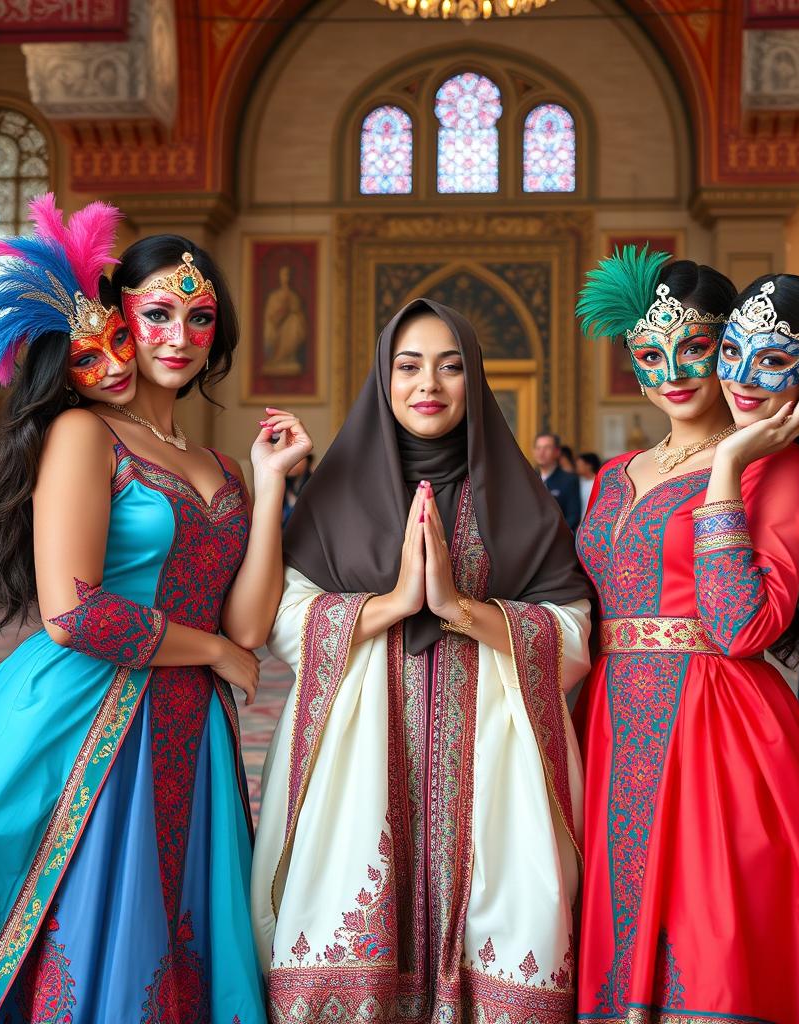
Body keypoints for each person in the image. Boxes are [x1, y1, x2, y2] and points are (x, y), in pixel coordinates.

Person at [0, 204, 296, 1024]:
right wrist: (218, 657)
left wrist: (269, 490)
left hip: (190, 728)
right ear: (121, 316)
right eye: (155, 314)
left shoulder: (222, 463)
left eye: (199, 317)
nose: (178, 335)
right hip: (83, 708)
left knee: (177, 926)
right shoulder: (85, 433)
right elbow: (73, 614)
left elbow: (252, 627)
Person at [573, 253, 799, 1021]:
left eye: (696, 346)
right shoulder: (613, 477)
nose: (673, 370)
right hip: (608, 721)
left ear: (728, 343)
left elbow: (741, 627)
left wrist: (730, 463)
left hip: (714, 726)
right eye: (648, 352)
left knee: (712, 943)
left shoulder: (780, 469)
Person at [252, 298, 592, 1022]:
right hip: (359, 754)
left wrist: (463, 610)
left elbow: (575, 634)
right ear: (385, 377)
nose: (427, 384)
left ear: (474, 381)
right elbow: (280, 619)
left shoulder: (523, 499)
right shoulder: (332, 491)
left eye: (449, 366)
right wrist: (397, 602)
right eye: (408, 366)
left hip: (497, 763)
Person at [533, 430, 581, 529]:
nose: (541, 452)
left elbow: (573, 516)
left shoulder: (569, 480)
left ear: (557, 452)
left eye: (547, 448)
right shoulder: (530, 478)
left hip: (556, 536)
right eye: (538, 448)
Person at [281, 451, 313, 526]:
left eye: (295, 460)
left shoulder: (312, 480)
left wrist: (295, 504)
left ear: (305, 459)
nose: (291, 464)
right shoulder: (287, 481)